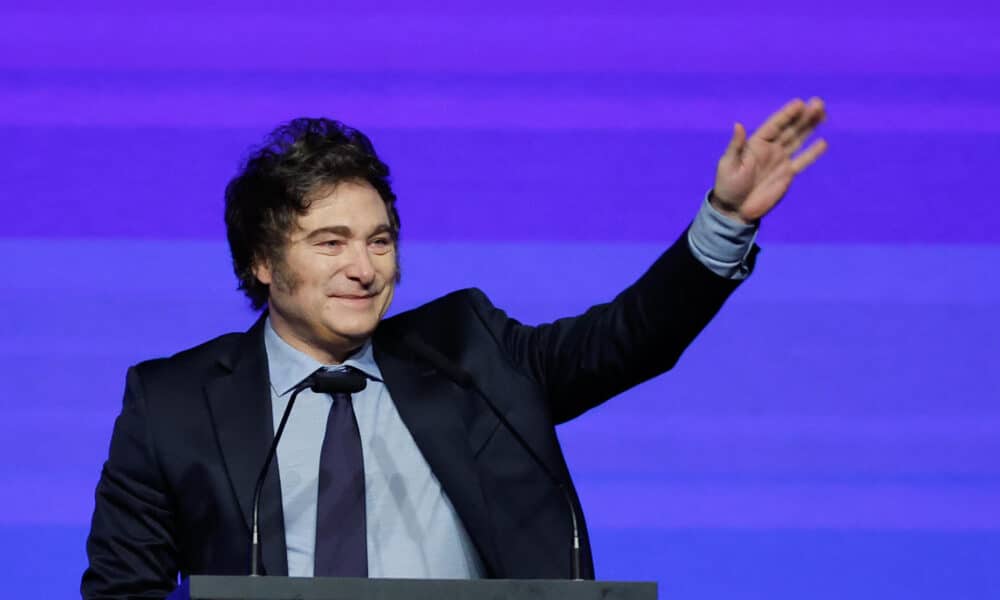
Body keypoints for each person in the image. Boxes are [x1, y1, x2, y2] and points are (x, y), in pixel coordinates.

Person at [82, 98, 826, 599]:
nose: (364, 268)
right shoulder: (172, 403)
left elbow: (627, 341)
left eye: (380, 241)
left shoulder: (468, 353)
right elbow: (124, 590)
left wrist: (725, 218)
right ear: (263, 262)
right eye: (330, 243)